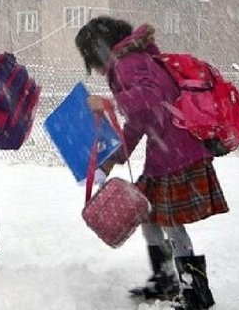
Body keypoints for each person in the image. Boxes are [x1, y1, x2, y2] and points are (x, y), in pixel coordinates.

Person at [75, 16, 228, 310]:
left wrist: (108, 102)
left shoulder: (128, 63)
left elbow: (151, 95)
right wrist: (115, 159)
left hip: (176, 153)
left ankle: (194, 292)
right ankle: (166, 279)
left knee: (171, 222)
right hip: (167, 152)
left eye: (89, 56)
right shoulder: (132, 61)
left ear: (99, 49)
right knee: (149, 216)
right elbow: (139, 120)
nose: (91, 65)